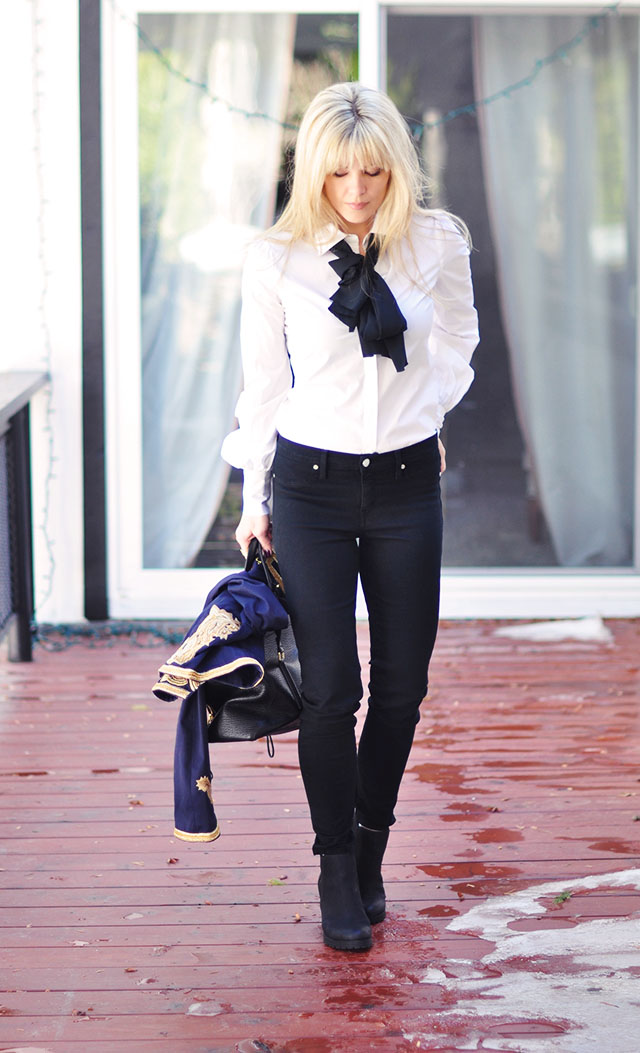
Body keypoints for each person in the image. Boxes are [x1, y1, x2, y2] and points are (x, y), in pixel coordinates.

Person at [221, 81, 478, 952]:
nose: (358, 192)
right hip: (310, 490)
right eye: (339, 175)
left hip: (407, 487)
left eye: (373, 172)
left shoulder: (437, 244)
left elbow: (459, 341)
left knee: (402, 688)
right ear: (314, 174)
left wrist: (426, 415)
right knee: (334, 689)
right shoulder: (277, 258)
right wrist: (254, 498)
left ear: (395, 170)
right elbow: (264, 391)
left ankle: (372, 846)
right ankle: (336, 864)